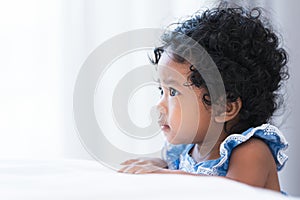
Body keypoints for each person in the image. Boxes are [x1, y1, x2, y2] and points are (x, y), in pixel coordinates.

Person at [119, 3, 289, 193]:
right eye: (161, 91)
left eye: (173, 92)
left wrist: (163, 175)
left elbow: (230, 194)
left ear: (224, 107)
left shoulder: (251, 152)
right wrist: (160, 165)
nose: (159, 106)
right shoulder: (186, 150)